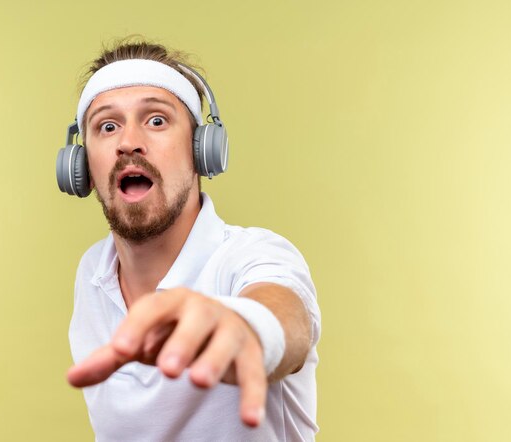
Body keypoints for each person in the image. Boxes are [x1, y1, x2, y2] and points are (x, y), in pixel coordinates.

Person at [57, 39, 321, 441]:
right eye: (107, 126)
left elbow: (286, 318)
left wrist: (247, 328)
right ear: (82, 167)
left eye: (157, 120)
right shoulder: (92, 272)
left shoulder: (253, 254)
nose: (128, 142)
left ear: (201, 152)